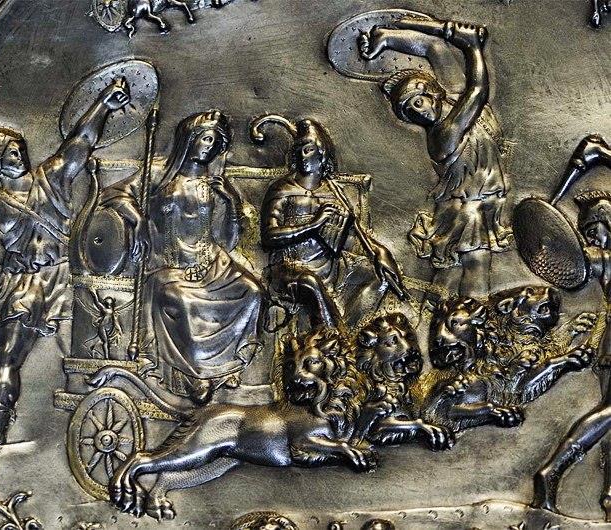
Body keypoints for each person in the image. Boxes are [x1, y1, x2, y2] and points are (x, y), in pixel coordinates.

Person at [0, 77, 131, 464]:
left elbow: (80, 141)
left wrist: (104, 104)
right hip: (25, 286)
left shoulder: (51, 177)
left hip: (65, 278)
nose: (19, 154)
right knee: (6, 357)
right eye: (9, 152)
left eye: (19, 148)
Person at [116, 110, 264, 405]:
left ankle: (226, 367)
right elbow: (117, 194)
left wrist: (232, 202)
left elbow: (228, 239)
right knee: (184, 302)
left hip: (212, 265)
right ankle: (197, 375)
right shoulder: (159, 173)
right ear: (190, 139)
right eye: (206, 139)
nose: (209, 147)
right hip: (168, 265)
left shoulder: (213, 184)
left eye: (215, 142)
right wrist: (139, 219)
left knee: (253, 292)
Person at [359, 17, 512, 298]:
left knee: (449, 272)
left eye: (418, 102)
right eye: (409, 111)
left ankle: (436, 315)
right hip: (466, 209)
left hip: (480, 203)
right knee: (476, 264)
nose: (418, 112)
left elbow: (434, 48)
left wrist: (389, 36)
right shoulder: (444, 133)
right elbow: (478, 91)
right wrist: (473, 48)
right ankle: (475, 318)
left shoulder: (453, 97)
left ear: (432, 93)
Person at [257, 115, 404, 328]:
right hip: (288, 271)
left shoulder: (334, 193)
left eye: (308, 149)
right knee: (310, 284)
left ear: (322, 153)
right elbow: (269, 237)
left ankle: (346, 327)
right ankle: (334, 337)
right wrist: (313, 225)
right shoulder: (282, 189)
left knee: (378, 276)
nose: (303, 155)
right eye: (299, 150)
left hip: (330, 268)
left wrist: (379, 252)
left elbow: (348, 238)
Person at [532, 135, 611, 517]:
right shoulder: (601, 259)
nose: (593, 236)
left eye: (597, 228)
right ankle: (552, 471)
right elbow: (566, 258)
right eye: (589, 230)